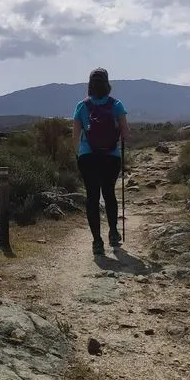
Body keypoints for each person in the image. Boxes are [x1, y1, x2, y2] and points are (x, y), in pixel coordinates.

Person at [72, 68, 129, 256]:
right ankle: (113, 232)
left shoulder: (81, 106)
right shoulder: (116, 104)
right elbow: (126, 133)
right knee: (109, 193)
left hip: (88, 156)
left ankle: (97, 241)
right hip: (111, 156)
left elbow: (75, 136)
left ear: (90, 85)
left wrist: (77, 154)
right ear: (107, 84)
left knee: (92, 197)